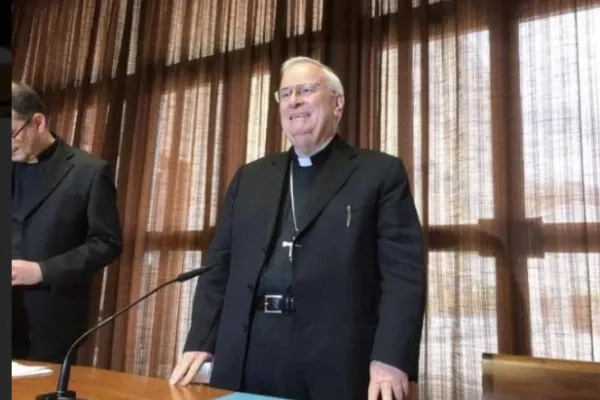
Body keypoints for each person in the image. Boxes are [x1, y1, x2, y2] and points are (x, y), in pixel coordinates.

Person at [169, 57, 426, 400]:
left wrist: (391, 357)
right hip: (248, 346)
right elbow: (219, 266)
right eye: (286, 93)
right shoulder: (251, 177)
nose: (294, 101)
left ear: (337, 103)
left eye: (306, 90)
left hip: (334, 355)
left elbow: (403, 275)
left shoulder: (379, 173)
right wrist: (202, 339)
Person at [11, 81, 123, 364]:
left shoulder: (89, 172)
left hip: (50, 320)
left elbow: (107, 242)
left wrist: (42, 271)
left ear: (38, 122)